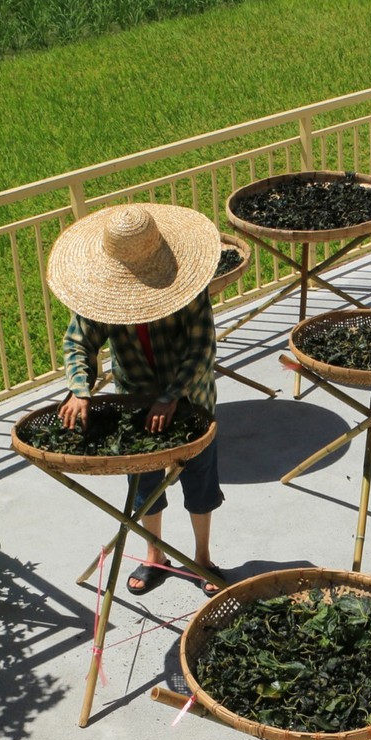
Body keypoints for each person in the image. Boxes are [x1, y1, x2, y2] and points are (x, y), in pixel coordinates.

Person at [49, 202, 227, 596]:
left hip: (191, 399)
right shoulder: (102, 293)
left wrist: (170, 397)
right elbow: (78, 343)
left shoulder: (187, 287)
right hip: (135, 402)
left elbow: (201, 349)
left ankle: (202, 558)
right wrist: (80, 389)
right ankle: (155, 556)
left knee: (199, 480)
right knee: (144, 484)